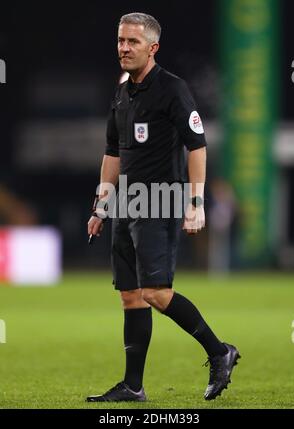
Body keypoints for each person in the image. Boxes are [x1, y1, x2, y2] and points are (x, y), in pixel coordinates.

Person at [86, 12, 240, 402]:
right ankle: (133, 387)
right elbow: (112, 152)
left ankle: (219, 351)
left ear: (152, 47)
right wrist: (101, 204)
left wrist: (196, 203)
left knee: (155, 292)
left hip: (160, 201)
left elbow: (197, 146)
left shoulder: (172, 89)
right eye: (121, 40)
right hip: (125, 203)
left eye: (132, 42)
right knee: (131, 296)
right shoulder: (122, 91)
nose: (123, 48)